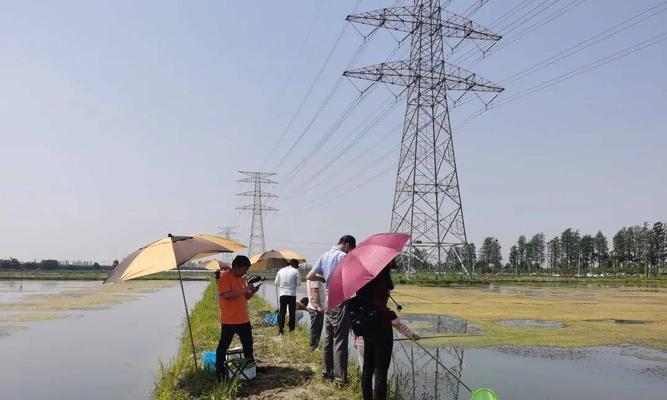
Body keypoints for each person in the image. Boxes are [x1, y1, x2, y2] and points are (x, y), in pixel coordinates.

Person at [355, 261, 419, 400]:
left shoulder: (364, 280)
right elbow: (384, 312)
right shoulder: (379, 283)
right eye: (390, 267)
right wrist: (410, 333)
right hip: (381, 330)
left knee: (367, 369)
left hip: (367, 329)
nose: (391, 269)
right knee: (380, 372)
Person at [306, 234, 356, 383]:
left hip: (329, 300)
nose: (350, 252)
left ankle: (326, 373)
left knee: (328, 337)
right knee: (340, 339)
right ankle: (340, 378)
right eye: (351, 249)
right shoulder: (343, 257)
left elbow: (309, 276)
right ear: (347, 245)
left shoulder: (325, 256)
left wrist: (323, 278)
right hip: (340, 299)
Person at [215, 255, 258, 380]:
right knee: (224, 346)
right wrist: (244, 290)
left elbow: (244, 297)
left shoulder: (241, 279)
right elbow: (227, 294)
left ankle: (250, 366)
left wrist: (252, 292)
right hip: (229, 320)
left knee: (248, 344)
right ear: (236, 266)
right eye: (244, 269)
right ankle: (220, 370)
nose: (245, 272)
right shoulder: (224, 277)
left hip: (243, 319)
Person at [274, 258, 301, 335]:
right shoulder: (296, 271)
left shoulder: (280, 271)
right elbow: (299, 284)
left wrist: (282, 285)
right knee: (292, 313)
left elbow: (276, 283)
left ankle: (281, 330)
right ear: (295, 265)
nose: (297, 267)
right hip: (291, 294)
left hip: (282, 294)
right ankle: (291, 330)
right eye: (297, 266)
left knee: (282, 312)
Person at [306, 272, 325, 350]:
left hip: (315, 306)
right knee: (316, 328)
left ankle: (314, 346)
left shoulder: (314, 275)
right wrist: (319, 306)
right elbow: (314, 291)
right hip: (316, 308)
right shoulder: (315, 276)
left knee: (317, 327)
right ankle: (313, 346)